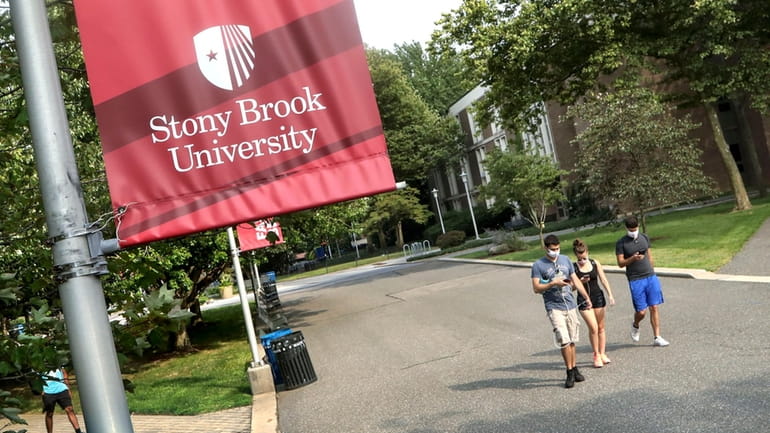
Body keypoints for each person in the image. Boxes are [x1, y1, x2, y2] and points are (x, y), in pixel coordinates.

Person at [531, 234, 593, 388]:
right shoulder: (538, 265)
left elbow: (575, 280)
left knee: (572, 339)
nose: (555, 252)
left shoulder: (565, 260)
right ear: (546, 248)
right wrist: (553, 283)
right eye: (552, 249)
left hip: (570, 304)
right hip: (554, 306)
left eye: (557, 249)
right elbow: (536, 288)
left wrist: (586, 297)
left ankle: (574, 367)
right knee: (564, 340)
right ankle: (569, 371)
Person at [615, 216, 670, 347]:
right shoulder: (621, 243)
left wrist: (653, 271)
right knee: (641, 312)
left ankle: (657, 337)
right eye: (631, 229)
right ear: (626, 228)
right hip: (635, 279)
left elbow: (649, 256)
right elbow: (620, 263)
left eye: (635, 229)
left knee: (654, 306)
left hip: (650, 276)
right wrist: (633, 258)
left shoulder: (644, 237)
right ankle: (635, 324)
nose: (633, 231)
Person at [572, 239, 616, 368]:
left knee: (601, 327)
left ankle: (602, 353)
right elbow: (571, 288)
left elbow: (603, 279)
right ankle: (596, 354)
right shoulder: (573, 267)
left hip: (598, 297)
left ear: (588, 253)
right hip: (583, 300)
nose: (582, 261)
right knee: (593, 328)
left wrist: (610, 295)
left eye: (584, 258)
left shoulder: (594, 263)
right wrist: (580, 281)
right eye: (580, 259)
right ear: (576, 256)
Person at [41, 367, 84, 433]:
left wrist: (68, 388)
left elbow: (64, 373)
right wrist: (41, 390)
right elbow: (35, 378)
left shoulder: (57, 361)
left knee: (70, 409)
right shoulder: (38, 363)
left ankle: (78, 431)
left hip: (62, 389)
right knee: (49, 413)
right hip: (48, 391)